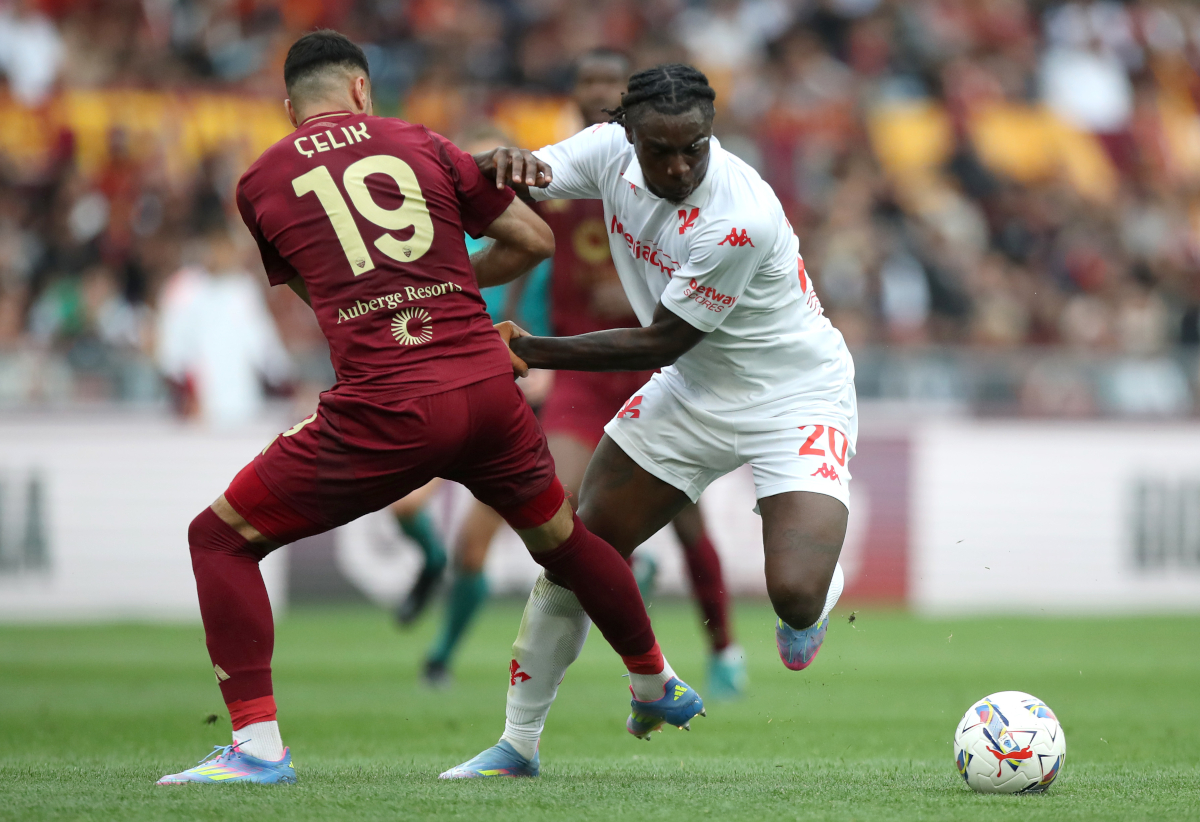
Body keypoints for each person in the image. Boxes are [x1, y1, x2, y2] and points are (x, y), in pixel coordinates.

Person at [157, 32, 703, 786]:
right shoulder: (421, 141)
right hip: (488, 389)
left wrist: (397, 303)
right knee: (562, 540)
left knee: (218, 539)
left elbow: (321, 294)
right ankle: (655, 676)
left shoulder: (260, 181)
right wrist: (451, 284)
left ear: (291, 109)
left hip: (390, 404)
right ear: (360, 90)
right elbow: (534, 238)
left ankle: (255, 746)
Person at [443, 63, 854, 779]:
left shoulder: (739, 218)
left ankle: (811, 603)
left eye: (693, 147)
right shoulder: (606, 151)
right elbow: (532, 173)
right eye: (659, 150)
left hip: (795, 394)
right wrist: (497, 166)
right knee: (572, 551)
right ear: (625, 133)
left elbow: (661, 339)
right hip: (694, 391)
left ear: (710, 134)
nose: (678, 165)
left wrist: (531, 349)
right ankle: (517, 746)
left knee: (793, 593)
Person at [537, 48, 746, 698]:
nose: (598, 93)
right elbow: (530, 256)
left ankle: (724, 648)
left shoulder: (672, 174)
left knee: (689, 523)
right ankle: (634, 587)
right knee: (558, 517)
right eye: (588, 83)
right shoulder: (562, 175)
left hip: (649, 363)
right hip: (578, 364)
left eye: (609, 84)